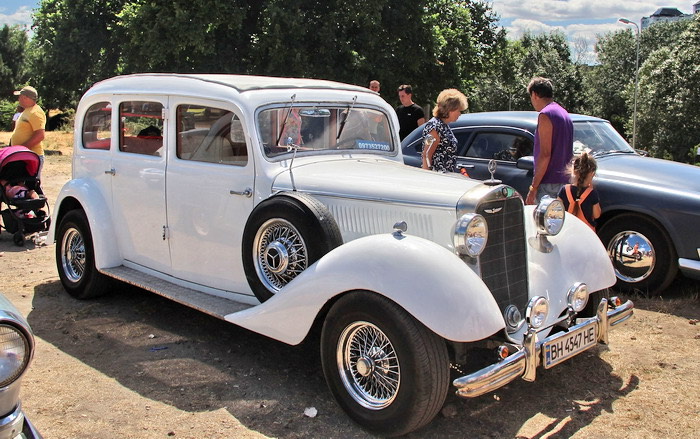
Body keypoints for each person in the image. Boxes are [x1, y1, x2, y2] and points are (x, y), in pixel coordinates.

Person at [525, 77, 573, 205]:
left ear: (534, 94)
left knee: (542, 223)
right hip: (565, 180)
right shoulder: (564, 113)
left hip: (549, 182)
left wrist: (533, 187)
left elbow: (545, 154)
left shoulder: (545, 115)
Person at [421, 88, 468, 173]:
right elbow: (426, 154)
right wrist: (426, 178)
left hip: (447, 176)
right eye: (458, 110)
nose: (460, 114)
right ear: (450, 109)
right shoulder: (434, 126)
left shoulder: (445, 126)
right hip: (437, 177)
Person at [557, 152, 601, 230]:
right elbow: (597, 215)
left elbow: (558, 210)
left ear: (573, 171)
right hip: (585, 234)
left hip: (566, 231)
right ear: (592, 174)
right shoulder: (592, 194)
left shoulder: (564, 190)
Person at [10, 86, 46, 178]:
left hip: (32, 156)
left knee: (30, 185)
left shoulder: (35, 112)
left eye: (20, 97)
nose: (18, 99)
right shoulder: (27, 111)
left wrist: (21, 149)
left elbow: (40, 135)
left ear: (25, 97)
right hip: (25, 155)